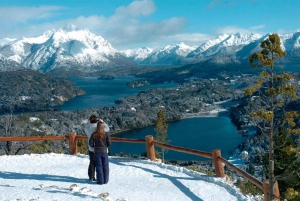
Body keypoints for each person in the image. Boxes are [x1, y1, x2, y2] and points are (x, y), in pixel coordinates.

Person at [84, 115, 109, 181]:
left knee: (92, 162)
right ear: (97, 120)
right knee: (101, 164)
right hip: (100, 149)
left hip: (91, 147)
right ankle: (102, 178)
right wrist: (102, 122)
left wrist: (90, 122)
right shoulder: (98, 127)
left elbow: (85, 128)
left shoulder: (88, 128)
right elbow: (107, 129)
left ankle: (91, 177)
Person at [89, 120, 112, 185]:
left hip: (97, 152)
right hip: (104, 152)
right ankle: (106, 180)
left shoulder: (94, 134)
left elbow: (90, 143)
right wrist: (105, 146)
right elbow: (109, 143)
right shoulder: (106, 134)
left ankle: (100, 181)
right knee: (105, 166)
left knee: (99, 167)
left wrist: (95, 147)